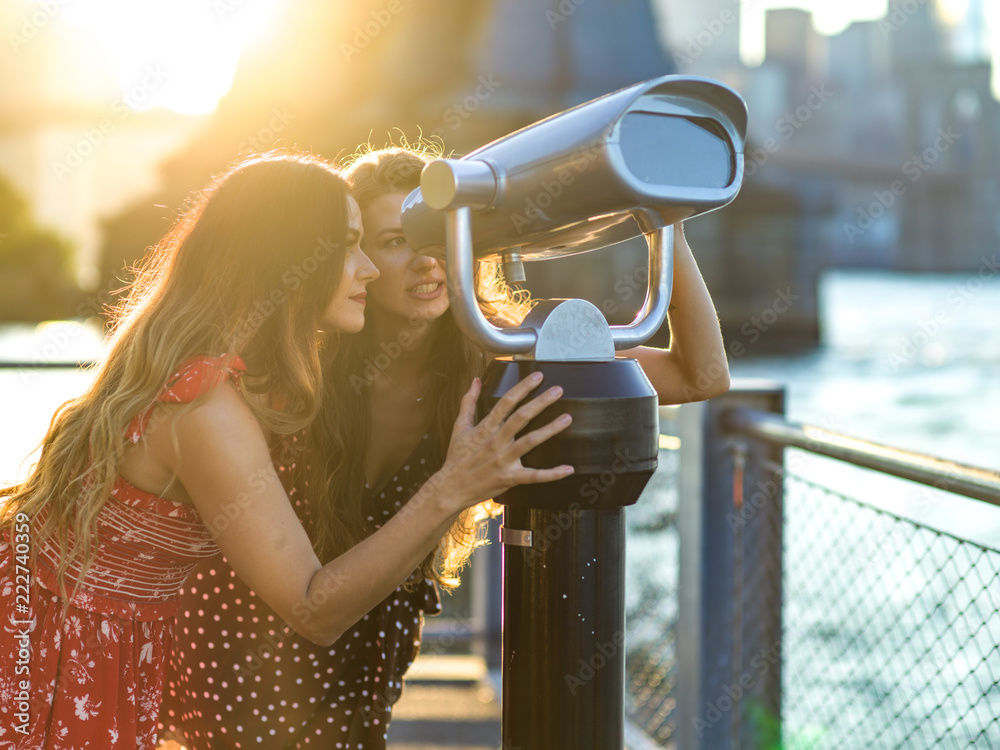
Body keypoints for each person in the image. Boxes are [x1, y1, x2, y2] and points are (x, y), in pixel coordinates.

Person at [157, 143, 730, 749]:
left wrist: (664, 226)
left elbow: (703, 377)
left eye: (439, 239)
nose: (427, 262)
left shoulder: (494, 365)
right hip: (245, 643)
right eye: (395, 241)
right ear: (352, 257)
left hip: (370, 648)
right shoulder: (300, 364)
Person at [0, 149, 572, 750]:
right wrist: (455, 484)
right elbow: (312, 607)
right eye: (350, 245)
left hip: (75, 642)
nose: (369, 270)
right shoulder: (207, 409)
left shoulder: (216, 376)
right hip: (64, 658)